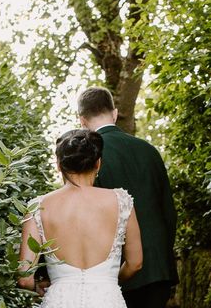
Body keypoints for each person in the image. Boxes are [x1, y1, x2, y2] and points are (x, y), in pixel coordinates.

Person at [18, 129, 143, 308]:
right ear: (98, 163)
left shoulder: (37, 207)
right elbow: (135, 263)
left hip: (59, 300)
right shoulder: (121, 201)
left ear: (59, 165)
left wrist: (38, 287)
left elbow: (24, 279)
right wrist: (108, 282)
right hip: (107, 299)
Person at [78, 87, 178, 308]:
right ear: (114, 114)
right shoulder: (149, 150)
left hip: (117, 272)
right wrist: (160, 253)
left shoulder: (90, 157)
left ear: (82, 121)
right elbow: (169, 213)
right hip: (158, 268)